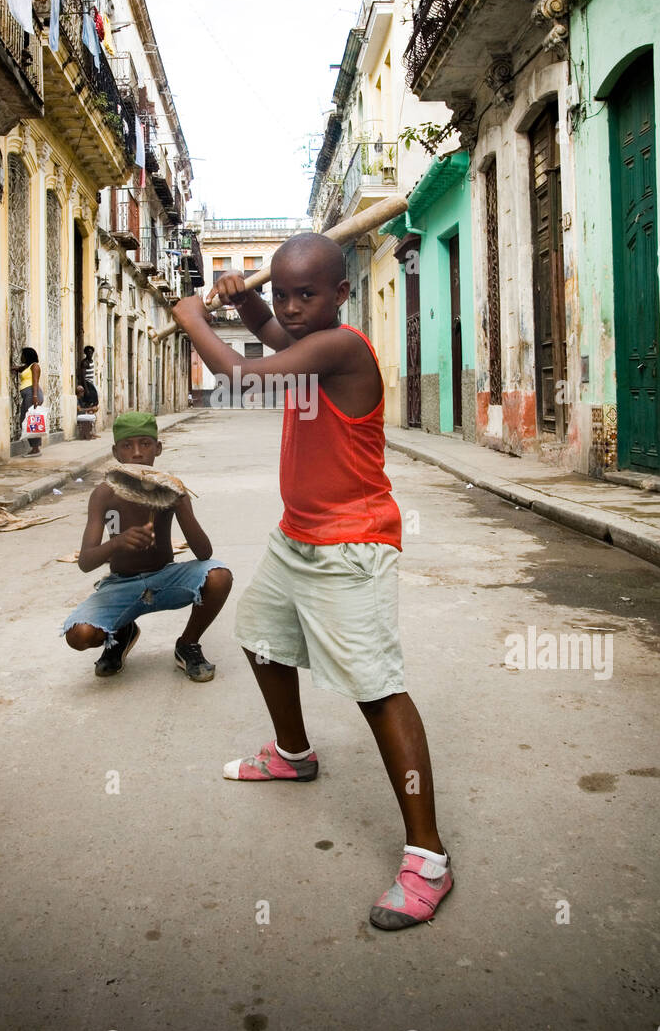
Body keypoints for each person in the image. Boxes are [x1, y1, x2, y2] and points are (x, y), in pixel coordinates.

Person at [171, 232, 452, 930]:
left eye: (308, 296)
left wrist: (196, 319)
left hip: (352, 544)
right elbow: (273, 334)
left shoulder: (344, 349)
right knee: (262, 638)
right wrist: (250, 303)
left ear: (340, 295)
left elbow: (241, 376)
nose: (293, 310)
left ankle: (428, 859)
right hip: (299, 534)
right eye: (286, 294)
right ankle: (293, 754)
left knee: (376, 689)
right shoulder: (306, 339)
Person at [62, 411, 233, 681]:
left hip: (166, 579)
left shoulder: (170, 488)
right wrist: (117, 543)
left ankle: (187, 644)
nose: (137, 453)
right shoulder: (105, 494)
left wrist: (179, 503)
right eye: (127, 446)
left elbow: (204, 553)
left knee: (219, 576)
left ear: (158, 448)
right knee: (79, 635)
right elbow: (85, 562)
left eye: (145, 444)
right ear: (116, 452)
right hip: (121, 585)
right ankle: (122, 633)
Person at [13, 346, 44, 455]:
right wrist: (14, 368)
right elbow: (19, 368)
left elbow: (35, 381)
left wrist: (35, 396)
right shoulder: (27, 367)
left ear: (27, 356)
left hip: (33, 394)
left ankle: (35, 448)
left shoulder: (34, 366)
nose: (21, 357)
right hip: (29, 395)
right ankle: (35, 447)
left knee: (32, 421)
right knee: (26, 420)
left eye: (22, 355)